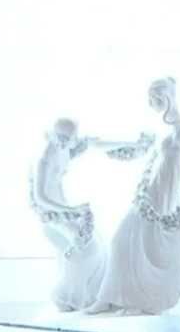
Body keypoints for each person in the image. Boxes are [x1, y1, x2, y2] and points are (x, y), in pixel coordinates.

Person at [88, 77, 180, 315]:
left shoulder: (179, 131)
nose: (152, 103)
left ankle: (136, 300)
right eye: (151, 99)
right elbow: (140, 148)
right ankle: (111, 298)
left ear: (167, 98)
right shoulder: (162, 127)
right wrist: (102, 145)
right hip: (151, 191)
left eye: (156, 98)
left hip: (164, 195)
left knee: (149, 246)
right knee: (125, 241)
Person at [29, 117, 149, 310]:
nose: (63, 141)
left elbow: (97, 144)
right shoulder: (44, 159)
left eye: (68, 138)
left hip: (66, 209)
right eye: (60, 137)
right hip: (52, 214)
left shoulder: (67, 147)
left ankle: (89, 295)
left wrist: (131, 143)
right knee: (86, 249)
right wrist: (71, 210)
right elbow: (40, 197)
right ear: (52, 133)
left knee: (99, 246)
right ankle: (66, 297)